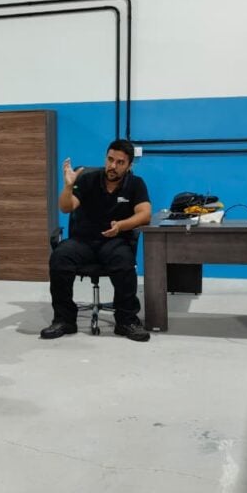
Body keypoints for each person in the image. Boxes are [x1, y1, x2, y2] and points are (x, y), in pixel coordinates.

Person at [40, 139, 153, 342]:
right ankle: (64, 319)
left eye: (120, 162)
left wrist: (121, 226)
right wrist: (68, 186)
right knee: (60, 257)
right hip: (83, 241)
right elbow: (66, 207)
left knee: (124, 262)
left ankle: (126, 321)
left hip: (115, 241)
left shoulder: (135, 184)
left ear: (129, 165)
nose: (113, 166)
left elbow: (145, 214)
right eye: (110, 159)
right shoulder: (87, 179)